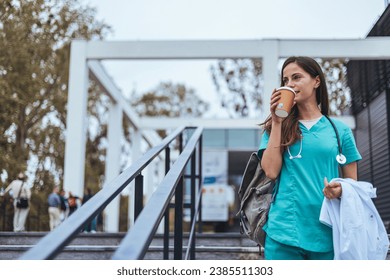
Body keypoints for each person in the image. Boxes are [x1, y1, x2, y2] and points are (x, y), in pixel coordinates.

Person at [258, 56, 362, 260]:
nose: (290, 84)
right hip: (284, 233)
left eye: (296, 77)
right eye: (285, 80)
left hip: (327, 232)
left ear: (316, 81)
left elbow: (353, 186)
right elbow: (270, 171)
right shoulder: (275, 128)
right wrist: (278, 122)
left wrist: (341, 190)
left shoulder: (340, 131)